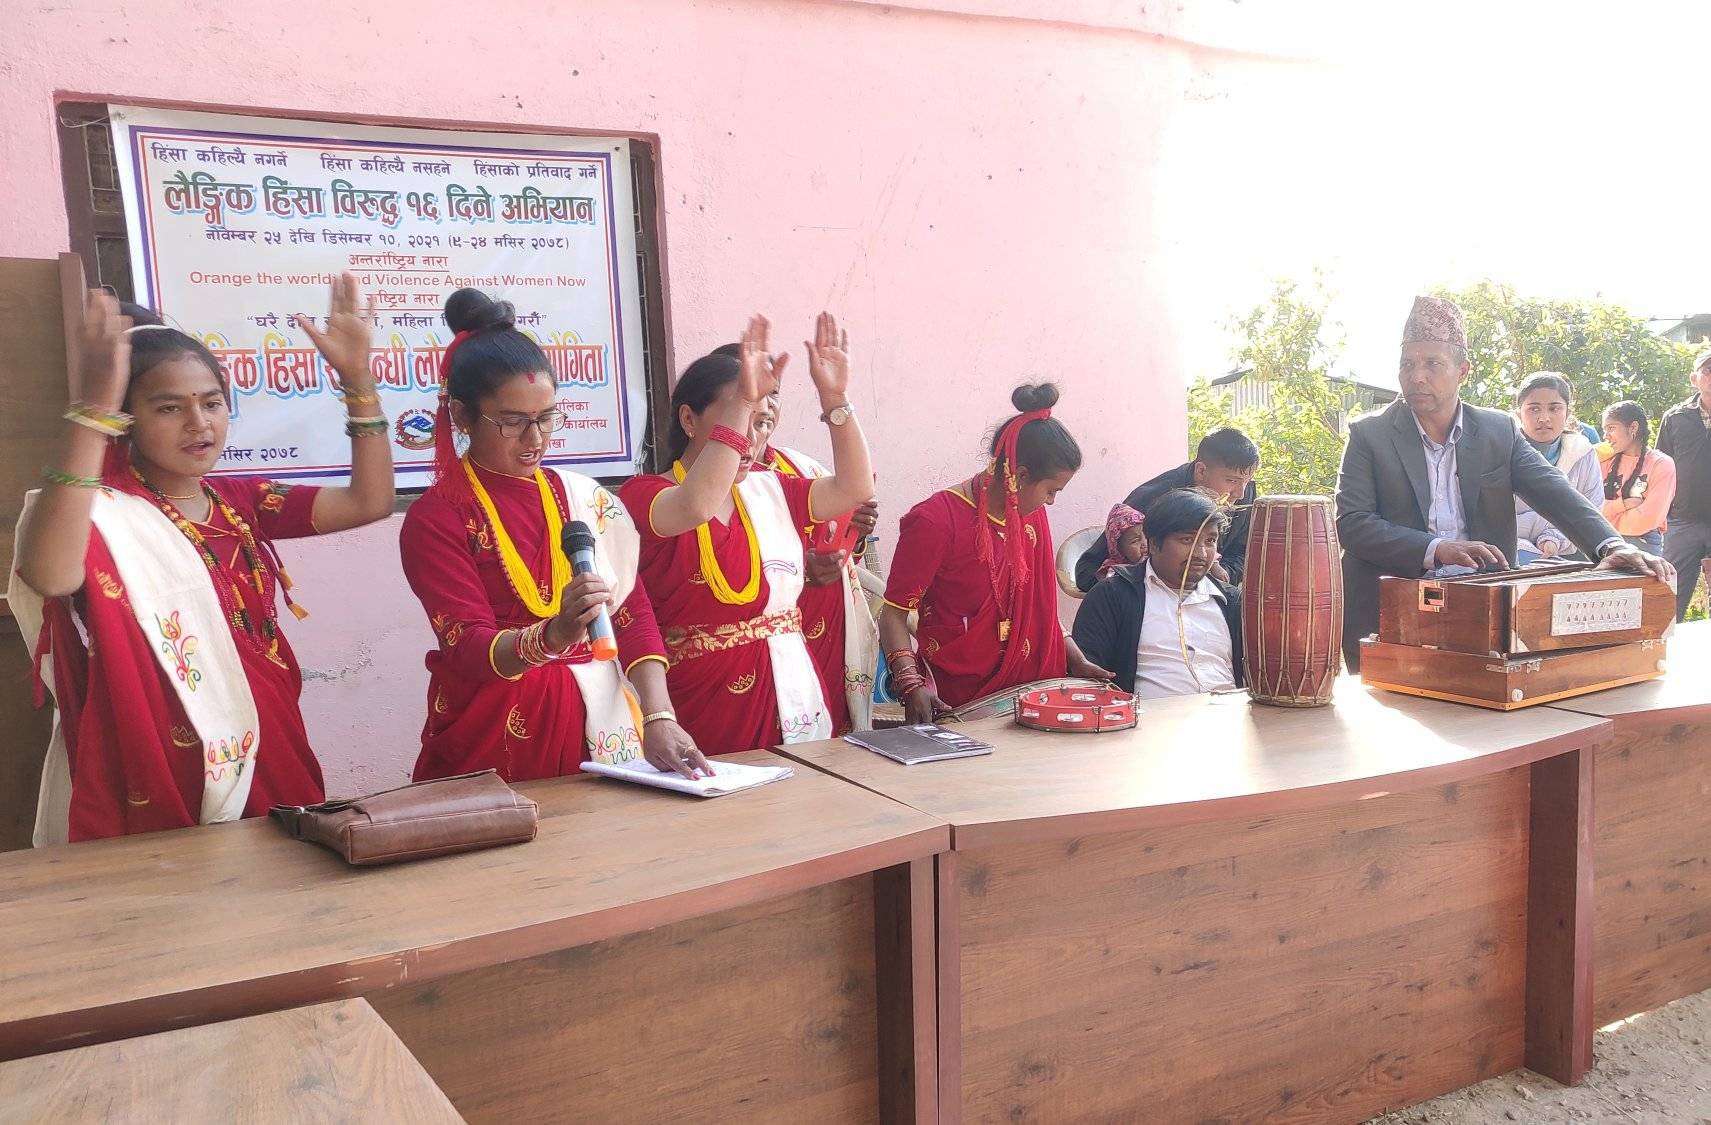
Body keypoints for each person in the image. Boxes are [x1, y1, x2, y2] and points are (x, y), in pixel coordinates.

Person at [10, 279, 396, 843]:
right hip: (167, 761)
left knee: (289, 879)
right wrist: (91, 413)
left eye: (212, 403)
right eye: (169, 407)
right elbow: (51, 574)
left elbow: (369, 501)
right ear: (125, 418)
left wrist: (358, 381)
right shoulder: (103, 514)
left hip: (269, 731)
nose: (199, 423)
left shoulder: (240, 501)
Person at [398, 289, 707, 783]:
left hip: (603, 721)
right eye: (513, 422)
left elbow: (631, 610)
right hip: (496, 728)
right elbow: (466, 645)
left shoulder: (584, 499)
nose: (536, 439)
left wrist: (659, 716)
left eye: (546, 418)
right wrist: (555, 635)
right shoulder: (438, 518)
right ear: (460, 416)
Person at [1334, 296, 1673, 671]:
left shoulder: (1497, 431)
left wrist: (1610, 545)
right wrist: (1437, 548)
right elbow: (1352, 523)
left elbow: (1554, 491)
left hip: (1484, 610)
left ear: (1463, 371)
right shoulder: (1370, 435)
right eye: (1407, 364)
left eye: (1432, 364)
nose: (1417, 376)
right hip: (1389, 614)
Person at [618, 313, 874, 754]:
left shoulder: (773, 488)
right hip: (701, 705)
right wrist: (744, 401)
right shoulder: (646, 493)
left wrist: (835, 399)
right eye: (738, 419)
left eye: (762, 423)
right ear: (689, 419)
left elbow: (855, 488)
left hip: (793, 689)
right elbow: (696, 505)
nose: (750, 441)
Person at [880, 384, 1111, 723]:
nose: (1051, 502)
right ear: (1020, 476)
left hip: (1037, 696)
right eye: (1051, 490)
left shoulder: (1031, 516)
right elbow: (893, 615)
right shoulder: (935, 520)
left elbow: (1040, 608)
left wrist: (1076, 659)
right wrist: (910, 684)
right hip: (959, 701)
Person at [712, 342, 881, 734]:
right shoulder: (697, 492)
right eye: (753, 391)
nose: (766, 405)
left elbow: (843, 530)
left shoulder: (801, 468)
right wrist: (801, 572)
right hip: (752, 647)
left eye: (773, 393)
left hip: (823, 633)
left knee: (828, 742)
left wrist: (855, 533)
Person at [1071, 488, 1243, 699]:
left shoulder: (1232, 602)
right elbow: (1088, 679)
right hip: (1147, 718)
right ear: (1153, 544)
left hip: (1230, 714)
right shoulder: (1112, 595)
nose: (1201, 553)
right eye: (1187, 540)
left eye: (1210, 541)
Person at [1073, 427, 1258, 592]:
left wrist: (1219, 575)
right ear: (1201, 471)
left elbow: (1242, 552)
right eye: (1231, 480)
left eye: (1246, 481)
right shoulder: (1155, 497)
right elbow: (1087, 569)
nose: (1240, 494)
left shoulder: (1244, 493)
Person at [1511, 372, 1602, 562]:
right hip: (1508, 555)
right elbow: (1492, 520)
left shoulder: (1583, 453)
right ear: (1519, 413)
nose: (1544, 418)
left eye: (1554, 408)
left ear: (1568, 413)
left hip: (1568, 558)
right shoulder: (1500, 450)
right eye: (1534, 409)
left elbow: (1592, 513)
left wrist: (1554, 538)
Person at [1657, 347, 1711, 619]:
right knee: (1670, 596)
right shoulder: (1675, 417)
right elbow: (1661, 467)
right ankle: (1666, 646)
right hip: (1682, 521)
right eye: (1708, 370)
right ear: (1694, 378)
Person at [1599, 401, 1676, 553]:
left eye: (1611, 428)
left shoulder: (1661, 464)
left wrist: (1607, 518)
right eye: (1604, 430)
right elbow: (1591, 508)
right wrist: (1623, 504)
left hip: (1643, 544)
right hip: (1603, 542)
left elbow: (1648, 518)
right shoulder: (1602, 460)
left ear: (1633, 427)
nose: (1605, 436)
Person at [1093, 502, 1147, 582]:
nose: (1145, 544)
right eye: (1135, 541)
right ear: (1119, 550)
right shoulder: (1115, 574)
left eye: (1147, 536)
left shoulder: (1157, 562)